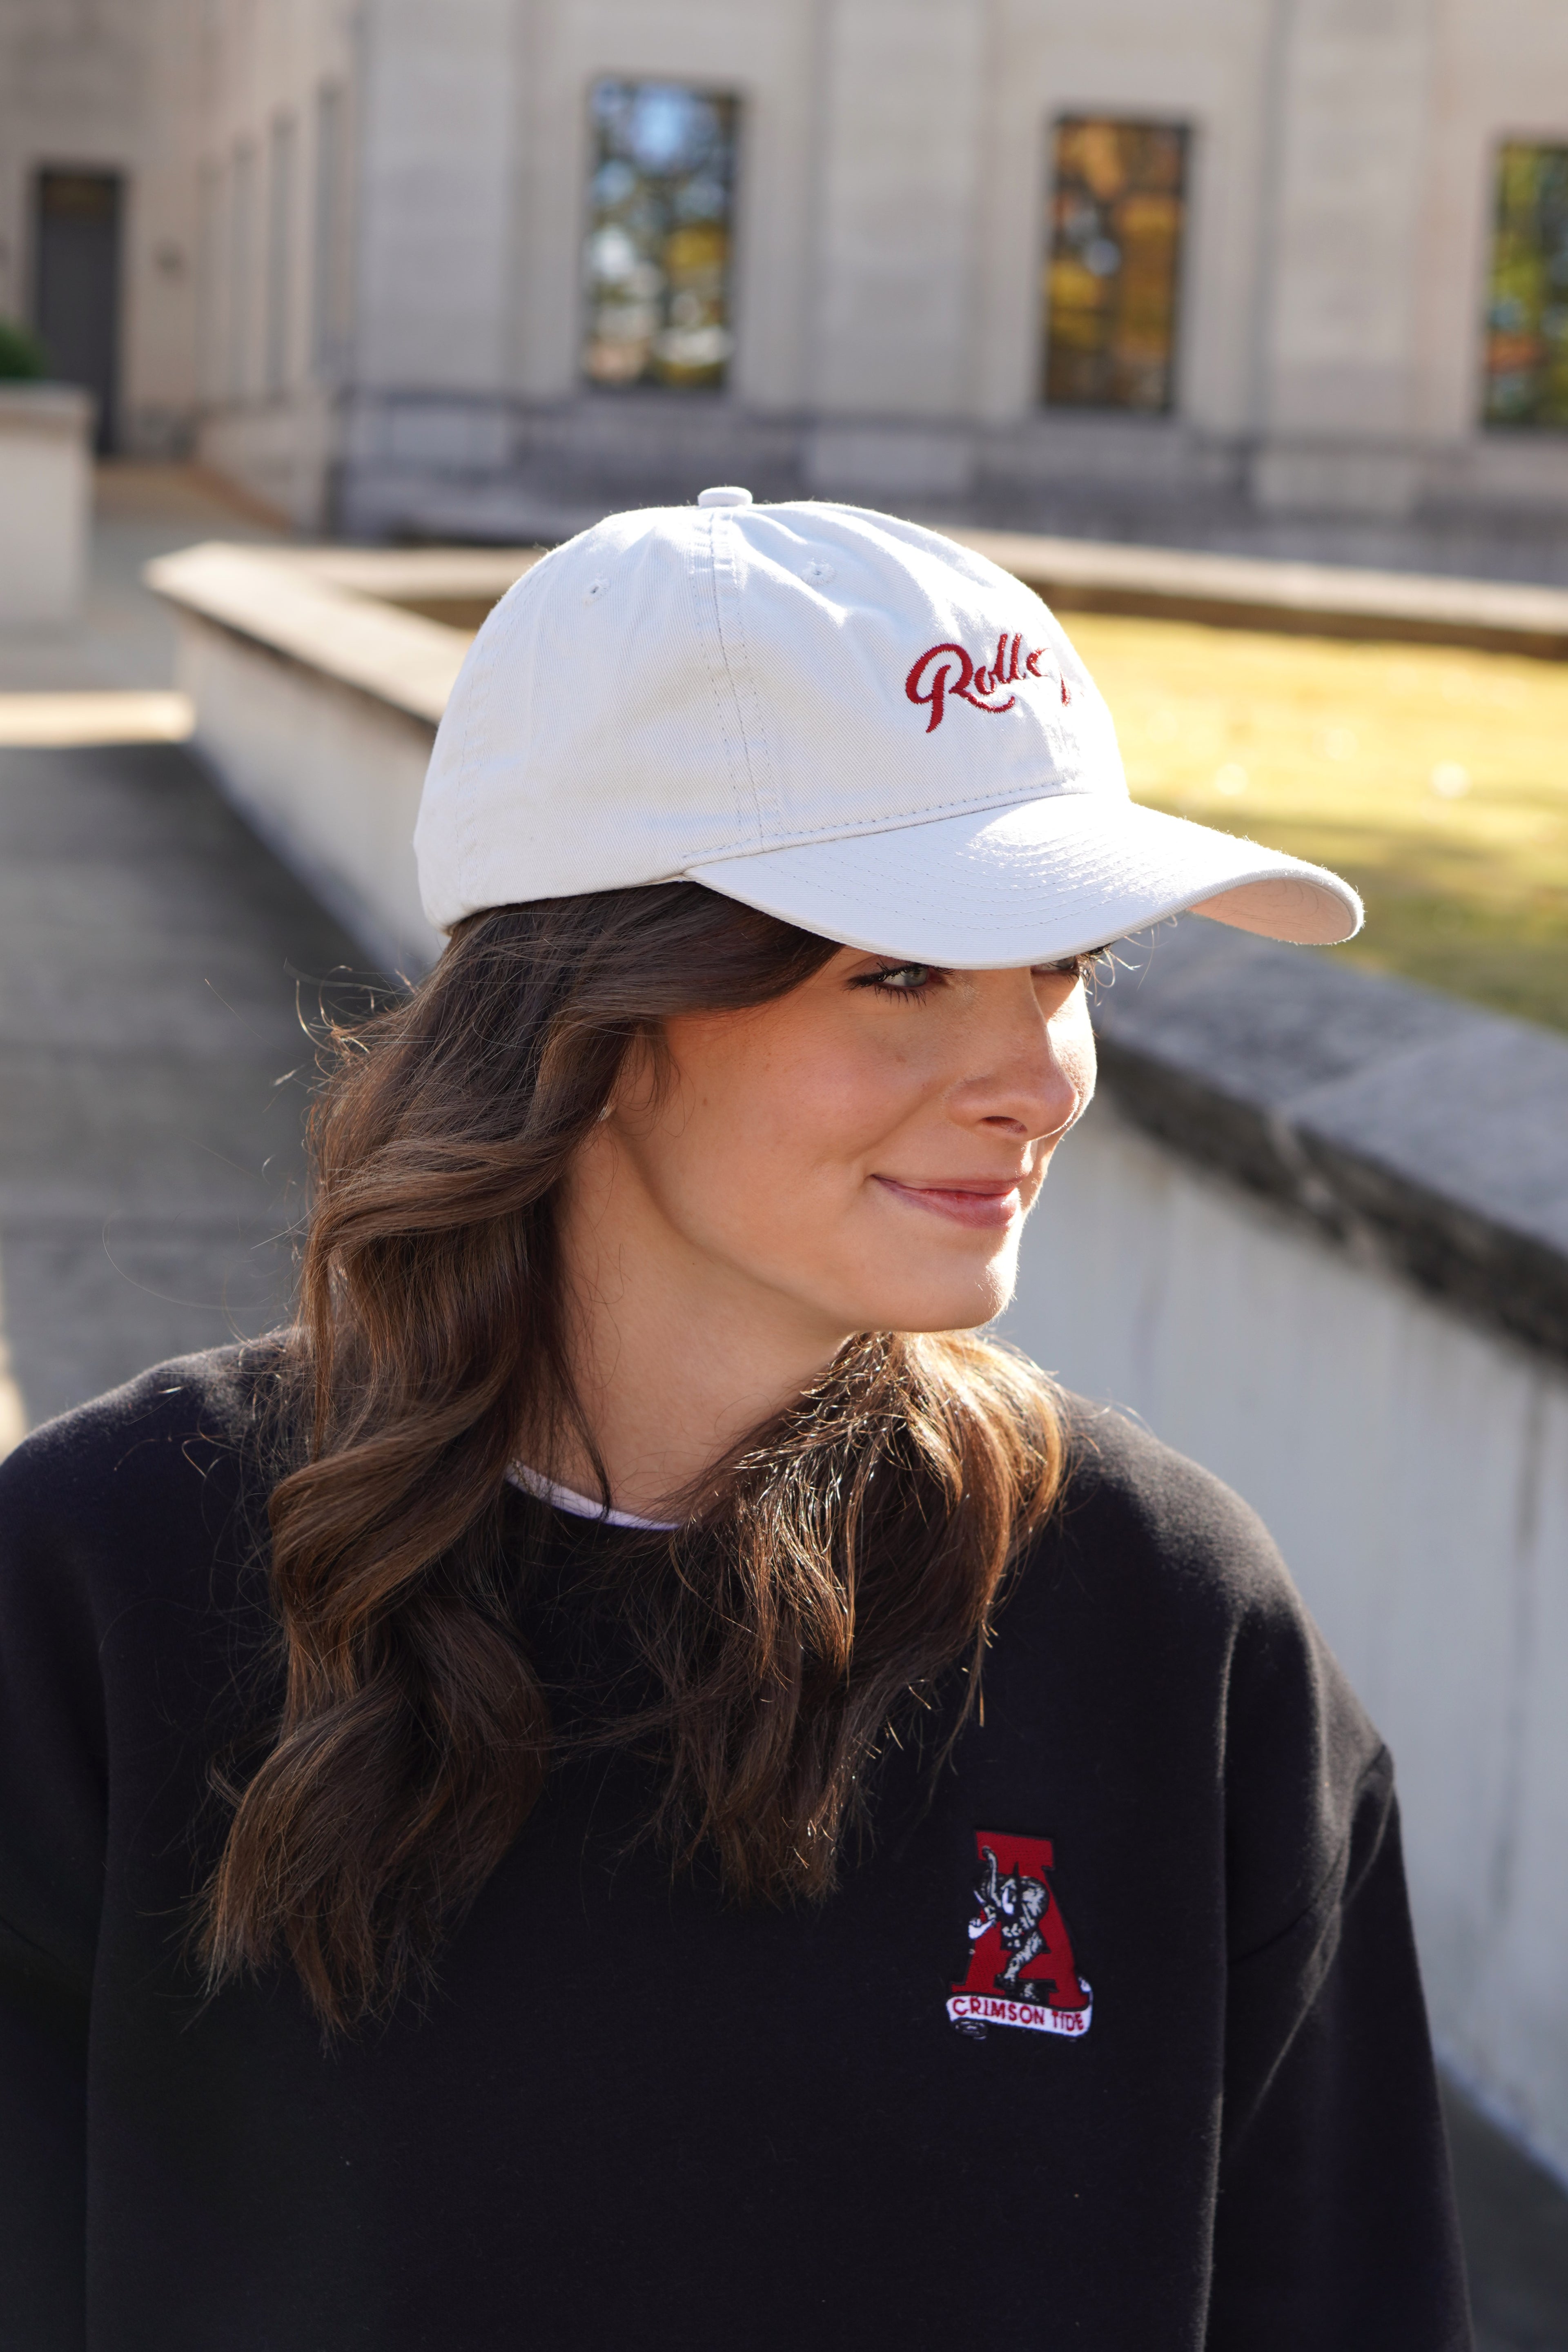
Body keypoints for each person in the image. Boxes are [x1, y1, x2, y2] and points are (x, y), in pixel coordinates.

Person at [0, 489, 1470, 2350]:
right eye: (906, 970)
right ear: (598, 1012)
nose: (1035, 1078)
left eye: (1068, 970)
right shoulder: (105, 1588)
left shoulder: (1177, 1635)